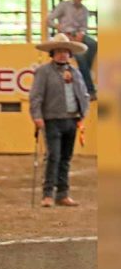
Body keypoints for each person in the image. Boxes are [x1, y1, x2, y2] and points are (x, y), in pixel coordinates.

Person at [30, 33, 90, 208]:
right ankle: (48, 194)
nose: (62, 54)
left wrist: (83, 113)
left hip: (72, 119)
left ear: (70, 54)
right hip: (52, 119)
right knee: (54, 156)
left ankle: (62, 194)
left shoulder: (75, 73)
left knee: (65, 158)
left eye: (65, 51)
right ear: (53, 53)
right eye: (59, 51)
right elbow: (36, 96)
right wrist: (37, 116)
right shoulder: (43, 72)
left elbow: (83, 94)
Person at [46, 0, 97, 100]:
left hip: (78, 34)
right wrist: (57, 26)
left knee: (93, 44)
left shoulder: (84, 10)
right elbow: (49, 19)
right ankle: (90, 89)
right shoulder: (64, 6)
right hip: (65, 34)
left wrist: (81, 34)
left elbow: (84, 27)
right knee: (80, 56)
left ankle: (85, 72)